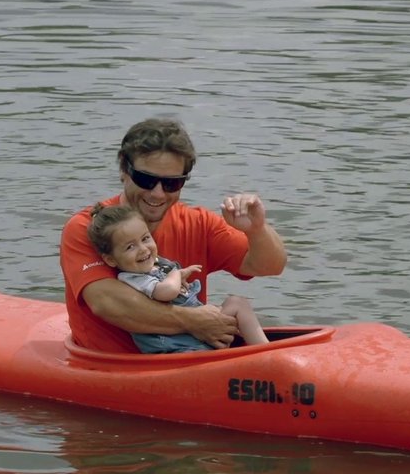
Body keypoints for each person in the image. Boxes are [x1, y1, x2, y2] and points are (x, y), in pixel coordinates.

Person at [60, 118, 286, 353]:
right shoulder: (88, 228)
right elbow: (106, 302)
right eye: (146, 180)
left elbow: (270, 266)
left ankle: (271, 360)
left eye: (172, 183)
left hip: (186, 361)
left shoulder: (198, 222)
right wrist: (194, 320)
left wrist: (256, 229)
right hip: (108, 369)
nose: (157, 193)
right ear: (124, 171)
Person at [86, 203, 268, 353]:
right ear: (110, 259)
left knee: (237, 303)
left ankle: (265, 352)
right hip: (176, 348)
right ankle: (261, 360)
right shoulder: (132, 279)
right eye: (130, 247)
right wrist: (176, 274)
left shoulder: (155, 265)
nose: (143, 249)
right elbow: (166, 292)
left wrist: (178, 274)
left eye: (145, 238)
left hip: (199, 334)